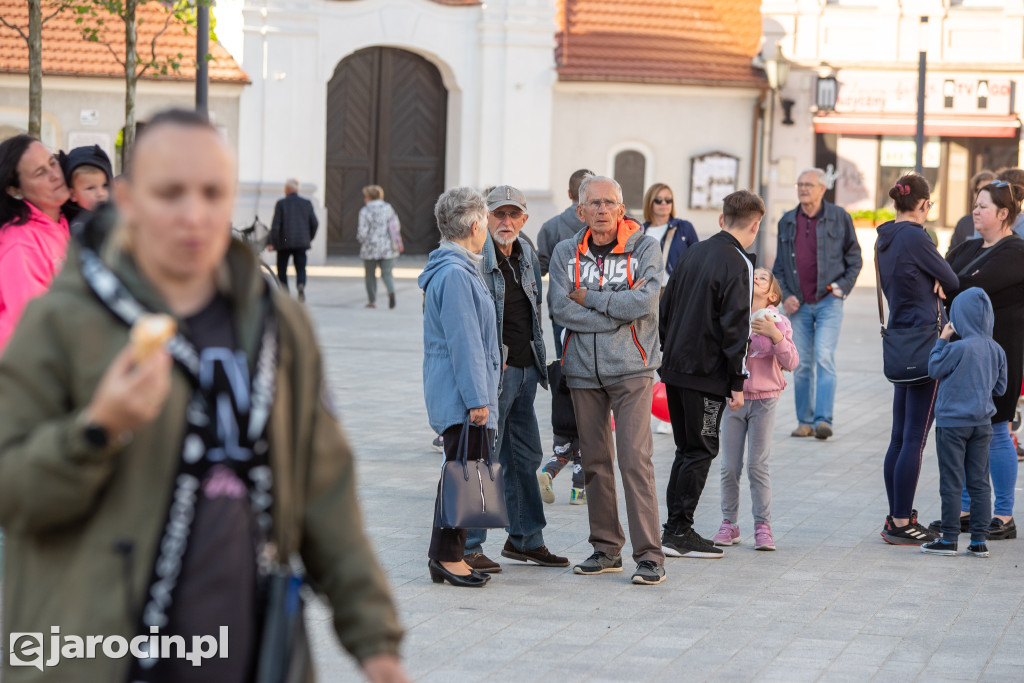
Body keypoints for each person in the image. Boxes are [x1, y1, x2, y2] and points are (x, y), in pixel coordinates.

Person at [0, 110, 406, 682]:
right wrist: (97, 429)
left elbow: (325, 490)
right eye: (170, 193)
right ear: (129, 199)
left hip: (244, 652)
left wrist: (376, 643)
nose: (194, 214)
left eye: (212, 193)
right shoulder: (63, 322)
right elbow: (13, 491)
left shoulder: (276, 324)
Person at [549, 175, 667, 586]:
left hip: (632, 369)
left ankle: (650, 555)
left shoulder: (644, 247)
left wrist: (594, 300)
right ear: (580, 211)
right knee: (596, 462)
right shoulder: (565, 252)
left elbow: (645, 302)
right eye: (594, 203)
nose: (602, 210)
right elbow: (560, 308)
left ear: (621, 208)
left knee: (635, 460)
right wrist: (615, 315)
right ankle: (606, 548)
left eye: (609, 203)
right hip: (582, 370)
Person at [462, 185, 567, 573]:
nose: (505, 221)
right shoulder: (474, 260)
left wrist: (537, 364)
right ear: (485, 218)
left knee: (525, 456)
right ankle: (469, 545)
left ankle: (525, 540)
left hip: (525, 371)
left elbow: (533, 312)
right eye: (498, 214)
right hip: (494, 375)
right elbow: (467, 324)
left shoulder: (526, 254)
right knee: (482, 458)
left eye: (513, 215)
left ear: (524, 219)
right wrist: (488, 366)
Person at [658, 190, 763, 560]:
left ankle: (673, 528)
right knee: (700, 449)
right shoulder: (739, 262)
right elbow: (736, 326)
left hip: (676, 368)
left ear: (723, 218)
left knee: (686, 449)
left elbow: (665, 306)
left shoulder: (694, 251)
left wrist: (668, 351)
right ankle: (679, 531)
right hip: (706, 374)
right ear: (755, 225)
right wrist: (737, 382)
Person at [418, 186, 501, 588]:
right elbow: (464, 342)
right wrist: (477, 399)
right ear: (473, 226)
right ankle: (448, 558)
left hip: (462, 393)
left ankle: (448, 556)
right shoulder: (454, 273)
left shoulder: (461, 268)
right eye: (485, 221)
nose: (487, 229)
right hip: (462, 396)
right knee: (462, 475)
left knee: (462, 473)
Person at [874, 173, 959, 545]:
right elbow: (951, 279)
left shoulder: (885, 237)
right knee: (914, 438)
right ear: (924, 204)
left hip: (900, 341)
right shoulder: (916, 236)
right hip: (926, 343)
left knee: (898, 437)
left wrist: (930, 279)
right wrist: (937, 281)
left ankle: (897, 516)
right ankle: (900, 521)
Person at [941, 179, 1024, 541]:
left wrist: (948, 284)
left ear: (1003, 213)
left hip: (999, 355)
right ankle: (964, 511)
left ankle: (1003, 515)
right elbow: (943, 274)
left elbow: (964, 286)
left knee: (998, 428)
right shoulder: (968, 247)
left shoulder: (1016, 251)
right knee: (964, 428)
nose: (975, 211)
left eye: (983, 206)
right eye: (975, 205)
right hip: (964, 357)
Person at [772, 168, 862, 440]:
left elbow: (855, 258)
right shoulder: (787, 221)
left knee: (823, 357)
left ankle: (823, 420)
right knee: (800, 363)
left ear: (823, 189)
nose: (803, 189)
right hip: (798, 304)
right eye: (800, 184)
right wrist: (786, 295)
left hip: (828, 302)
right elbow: (779, 267)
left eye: (808, 185)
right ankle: (805, 421)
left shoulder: (839, 217)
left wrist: (840, 288)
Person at [714, 267, 798, 551]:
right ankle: (729, 523)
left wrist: (775, 336)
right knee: (729, 466)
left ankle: (763, 526)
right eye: (752, 275)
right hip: (733, 399)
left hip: (764, 400)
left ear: (772, 295)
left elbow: (791, 362)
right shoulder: (732, 315)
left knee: (757, 466)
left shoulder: (779, 322)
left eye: (762, 277)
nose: (756, 277)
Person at [922, 288, 1006, 558]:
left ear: (959, 317)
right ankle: (979, 541)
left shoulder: (956, 348)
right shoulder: (997, 350)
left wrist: (942, 340)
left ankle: (949, 539)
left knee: (952, 482)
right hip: (982, 424)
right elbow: (1001, 388)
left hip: (951, 425)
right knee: (980, 482)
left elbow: (934, 368)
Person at [0, 134, 71, 355]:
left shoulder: (65, 222)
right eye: (40, 173)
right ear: (15, 190)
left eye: (52, 162)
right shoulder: (20, 243)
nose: (55, 175)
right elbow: (36, 325)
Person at [537, 168, 592, 357]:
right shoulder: (608, 225)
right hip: (599, 308)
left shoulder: (551, 227)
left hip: (562, 307)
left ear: (569, 194)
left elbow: (539, 269)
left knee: (565, 367)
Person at [538, 358, 586, 504]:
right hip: (580, 423)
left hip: (559, 423)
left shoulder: (554, 366)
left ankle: (548, 474)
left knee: (561, 455)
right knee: (581, 458)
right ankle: (577, 493)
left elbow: (541, 374)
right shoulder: (584, 363)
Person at [267, 178, 318, 301]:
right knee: (301, 267)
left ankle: (285, 293)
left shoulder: (281, 203)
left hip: (284, 242)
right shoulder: (306, 203)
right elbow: (315, 223)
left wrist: (271, 242)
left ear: (288, 189)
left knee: (282, 269)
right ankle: (301, 284)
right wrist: (308, 238)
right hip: (301, 243)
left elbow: (276, 225)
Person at [641, 182, 699, 286]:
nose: (664, 203)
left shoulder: (684, 227)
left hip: (678, 289)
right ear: (649, 203)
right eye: (658, 200)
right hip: (648, 290)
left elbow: (698, 261)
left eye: (668, 200)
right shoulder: (640, 232)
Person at [358, 185, 403, 309]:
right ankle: (391, 291)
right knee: (387, 273)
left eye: (365, 196)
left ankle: (372, 301)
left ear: (369, 197)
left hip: (369, 247)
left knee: (370, 275)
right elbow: (395, 227)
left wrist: (361, 240)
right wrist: (398, 242)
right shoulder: (388, 208)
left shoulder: (365, 211)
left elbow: (362, 231)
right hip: (387, 246)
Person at [947, 170, 995, 256]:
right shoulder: (964, 223)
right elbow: (951, 255)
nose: (981, 194)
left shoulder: (1002, 224)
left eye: (986, 190)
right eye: (977, 190)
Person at [59, 144, 113, 220]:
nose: (100, 193)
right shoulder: (68, 223)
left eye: (105, 185)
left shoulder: (119, 215)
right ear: (73, 194)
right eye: (91, 188)